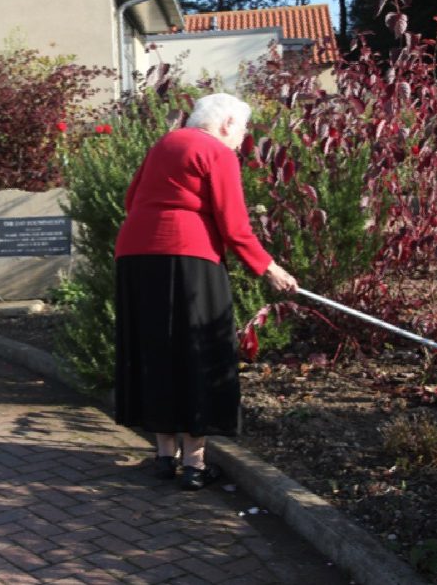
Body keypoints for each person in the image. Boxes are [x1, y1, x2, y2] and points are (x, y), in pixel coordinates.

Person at [114, 92, 299, 491]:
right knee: (196, 349)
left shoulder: (165, 143)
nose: (242, 139)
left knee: (155, 348)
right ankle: (195, 464)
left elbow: (132, 200)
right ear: (227, 123)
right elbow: (234, 226)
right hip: (189, 257)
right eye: (243, 129)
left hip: (134, 254)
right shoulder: (217, 151)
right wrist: (269, 268)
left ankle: (165, 456)